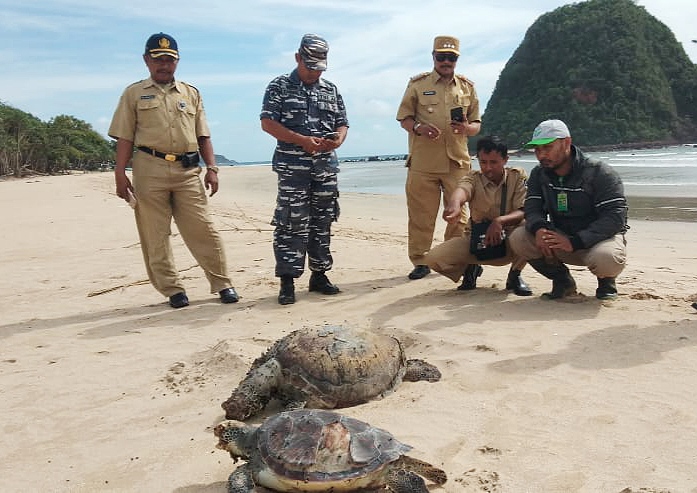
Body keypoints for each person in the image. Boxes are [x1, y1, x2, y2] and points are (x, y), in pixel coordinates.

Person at [109, 33, 239, 309]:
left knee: (203, 228)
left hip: (187, 169)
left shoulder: (191, 93)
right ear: (147, 61)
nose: (164, 65)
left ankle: (222, 283)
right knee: (155, 233)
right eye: (158, 60)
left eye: (169, 60)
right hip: (149, 169)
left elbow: (203, 135)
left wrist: (212, 168)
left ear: (177, 62)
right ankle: (172, 289)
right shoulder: (133, 93)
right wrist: (120, 173)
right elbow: (125, 138)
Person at [260, 34, 349, 305]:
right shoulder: (280, 87)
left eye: (319, 67)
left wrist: (336, 141)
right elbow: (267, 123)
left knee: (323, 221)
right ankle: (287, 281)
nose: (313, 72)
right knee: (291, 223)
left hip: (324, 168)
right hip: (292, 169)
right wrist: (300, 140)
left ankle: (319, 275)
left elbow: (343, 123)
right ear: (298, 58)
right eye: (309, 66)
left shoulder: (330, 90)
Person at [508, 119, 628, 300]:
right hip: (560, 237)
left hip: (598, 240)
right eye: (537, 149)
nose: (541, 155)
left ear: (566, 143)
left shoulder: (600, 172)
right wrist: (540, 229)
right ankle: (562, 281)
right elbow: (532, 209)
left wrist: (576, 241)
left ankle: (606, 281)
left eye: (547, 147)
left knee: (606, 258)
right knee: (518, 238)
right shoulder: (539, 174)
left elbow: (615, 217)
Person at [396, 35, 481, 281]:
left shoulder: (467, 87)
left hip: (457, 163)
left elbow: (476, 124)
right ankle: (421, 261)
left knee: (459, 216)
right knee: (421, 216)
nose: (446, 61)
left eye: (451, 57)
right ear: (433, 57)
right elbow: (404, 118)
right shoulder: (417, 85)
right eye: (441, 56)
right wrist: (418, 128)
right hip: (423, 163)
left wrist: (466, 128)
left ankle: (450, 258)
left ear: (457, 59)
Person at [424, 136, 532, 295]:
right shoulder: (473, 178)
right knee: (433, 259)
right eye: (483, 162)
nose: (488, 168)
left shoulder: (517, 176)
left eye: (493, 162)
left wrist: (499, 222)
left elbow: (525, 210)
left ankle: (514, 275)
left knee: (530, 227)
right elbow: (462, 191)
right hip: (478, 241)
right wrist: (454, 205)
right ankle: (470, 269)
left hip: (510, 241)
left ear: (505, 160)